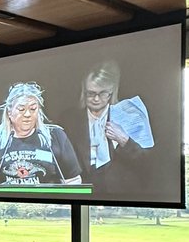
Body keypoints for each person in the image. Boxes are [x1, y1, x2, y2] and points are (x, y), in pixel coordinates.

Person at [65, 60, 152, 199]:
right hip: (82, 193)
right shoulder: (69, 120)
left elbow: (147, 165)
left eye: (103, 93)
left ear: (112, 92)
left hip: (121, 195)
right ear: (84, 91)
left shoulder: (129, 116)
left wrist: (124, 140)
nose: (96, 99)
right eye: (91, 93)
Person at [0, 80, 81, 190]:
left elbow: (73, 180)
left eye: (33, 109)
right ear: (9, 112)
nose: (28, 114)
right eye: (21, 109)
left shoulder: (56, 136)